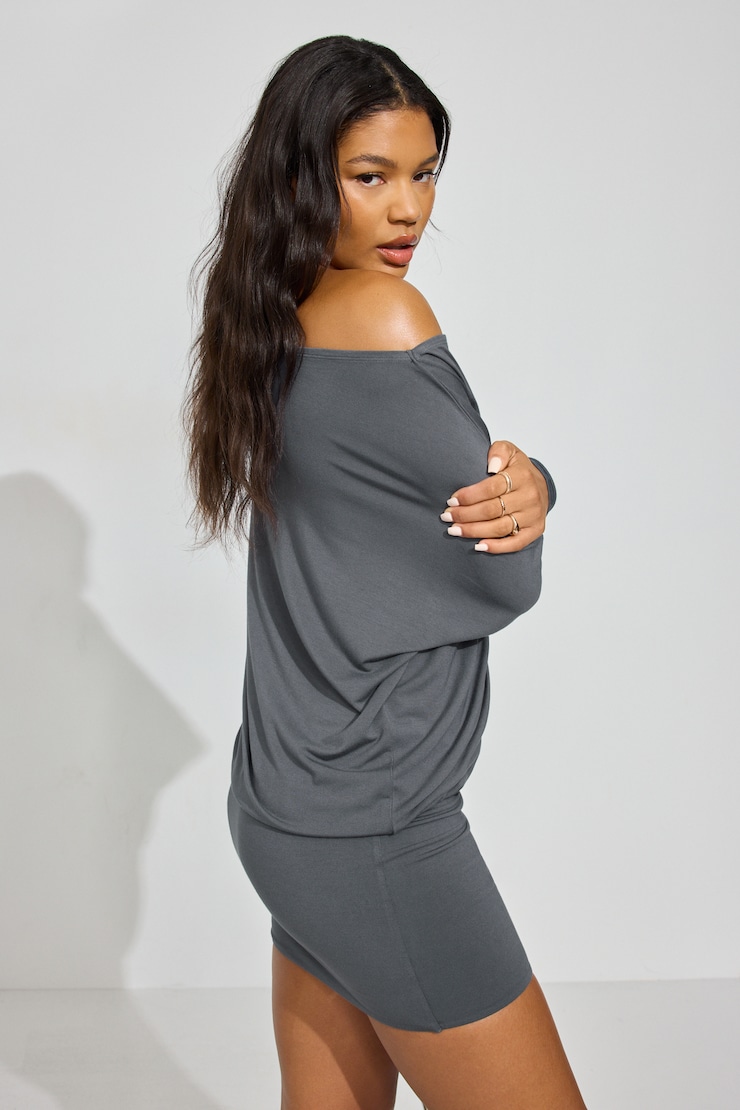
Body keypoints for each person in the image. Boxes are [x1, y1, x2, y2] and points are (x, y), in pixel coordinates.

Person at [185, 35, 587, 1110]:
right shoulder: (382, 315)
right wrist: (538, 487)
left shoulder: (263, 326)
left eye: (423, 174)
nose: (407, 210)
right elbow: (500, 575)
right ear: (299, 178)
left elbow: (424, 519)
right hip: (378, 825)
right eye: (369, 177)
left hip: (285, 809)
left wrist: (532, 482)